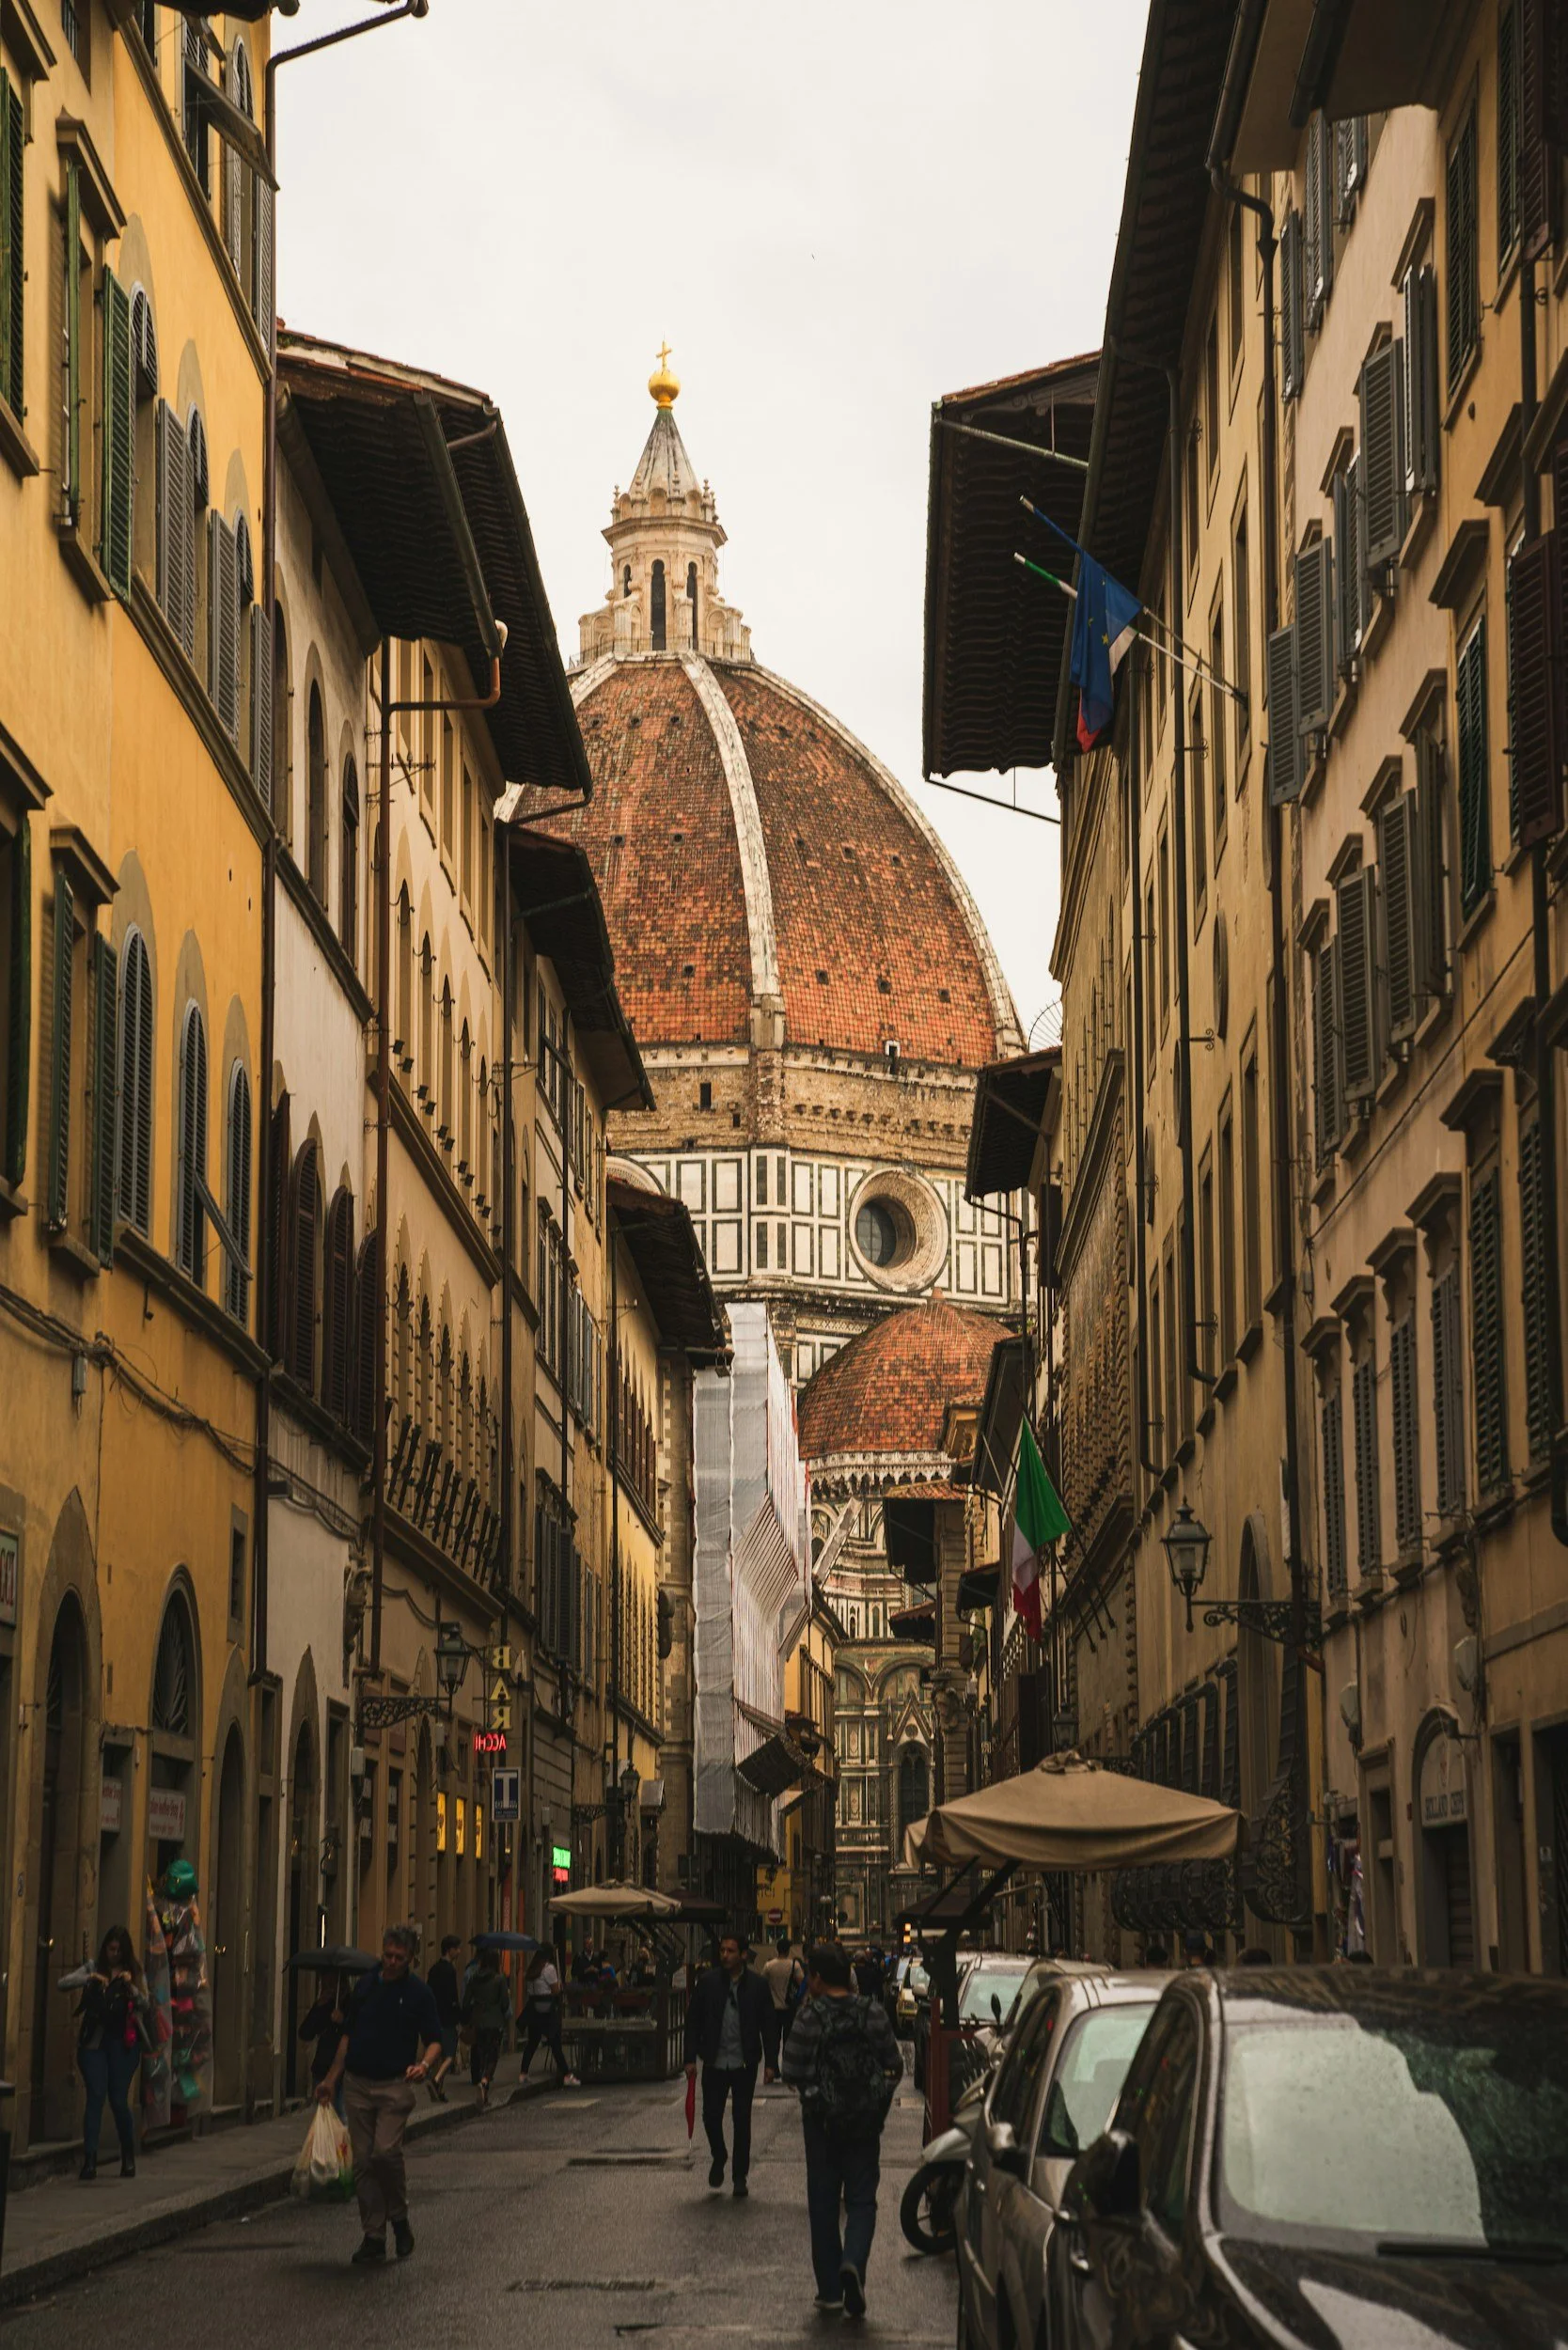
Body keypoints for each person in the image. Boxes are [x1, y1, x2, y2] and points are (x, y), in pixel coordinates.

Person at [782, 1939, 903, 2318]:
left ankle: (831, 2291)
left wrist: (816, 2096)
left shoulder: (809, 2016)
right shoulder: (871, 2012)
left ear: (816, 1978)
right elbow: (894, 2065)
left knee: (823, 2202)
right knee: (862, 2200)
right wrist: (876, 2102)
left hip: (821, 2124)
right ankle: (853, 2261)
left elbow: (792, 2069)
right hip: (865, 2124)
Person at [316, 1924, 443, 2265]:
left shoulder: (419, 1993)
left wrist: (425, 2065)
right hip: (357, 2082)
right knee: (363, 2162)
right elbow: (348, 2037)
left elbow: (435, 2039)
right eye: (387, 1954)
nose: (391, 1962)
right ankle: (374, 2234)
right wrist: (331, 2080)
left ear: (411, 1959)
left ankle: (399, 2218)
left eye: (399, 1958)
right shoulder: (367, 1985)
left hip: (394, 2085)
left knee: (385, 2152)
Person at [683, 1930, 780, 2200]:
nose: (724, 1955)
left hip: (743, 2061)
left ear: (744, 1955)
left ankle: (740, 2176)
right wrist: (690, 2058)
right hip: (714, 2059)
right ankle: (719, 2155)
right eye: (722, 1950)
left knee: (742, 2119)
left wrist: (771, 2063)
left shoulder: (758, 1986)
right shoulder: (708, 1982)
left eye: (730, 1951)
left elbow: (769, 2025)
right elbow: (693, 2021)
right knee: (710, 2116)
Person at [74, 1925, 146, 2181]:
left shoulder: (133, 1973)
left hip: (122, 2044)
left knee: (118, 2099)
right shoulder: (94, 1968)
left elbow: (145, 2003)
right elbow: (64, 1983)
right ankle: (90, 2159)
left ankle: (128, 2156)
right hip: (94, 2043)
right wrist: (89, 1979)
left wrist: (130, 1987)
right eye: (110, 1949)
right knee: (95, 2095)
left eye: (118, 1950)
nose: (114, 1954)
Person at [519, 1946, 580, 2087]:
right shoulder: (549, 1969)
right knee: (555, 2042)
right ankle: (567, 2074)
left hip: (533, 2008)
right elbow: (555, 1990)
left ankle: (523, 2073)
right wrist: (559, 1986)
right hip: (546, 2008)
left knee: (532, 2043)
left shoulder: (532, 1969)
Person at [298, 1968, 352, 2120]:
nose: (328, 1986)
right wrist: (319, 2006)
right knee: (324, 2115)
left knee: (341, 2113)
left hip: (344, 2069)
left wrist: (342, 2021)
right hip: (323, 2065)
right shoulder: (323, 2004)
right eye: (325, 1982)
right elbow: (305, 2033)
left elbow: (357, 2030)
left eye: (332, 1982)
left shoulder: (351, 2003)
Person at [463, 1947, 511, 2107]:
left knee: (480, 2051)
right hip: (494, 2021)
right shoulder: (499, 1979)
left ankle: (480, 2083)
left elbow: (466, 2001)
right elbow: (504, 2003)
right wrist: (504, 2015)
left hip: (478, 2021)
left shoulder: (473, 1979)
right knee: (493, 2055)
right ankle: (484, 2082)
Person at [425, 1935, 463, 2102]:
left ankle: (438, 2091)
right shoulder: (450, 1970)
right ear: (450, 1950)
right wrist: (458, 2017)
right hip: (447, 2018)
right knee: (449, 2056)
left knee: (437, 2053)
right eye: (457, 1948)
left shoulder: (434, 1969)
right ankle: (436, 2079)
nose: (459, 1952)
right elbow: (453, 1997)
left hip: (433, 2016)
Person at [763, 1935, 805, 2046]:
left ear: (777, 1950)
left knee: (773, 2039)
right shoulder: (794, 1965)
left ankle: (773, 2062)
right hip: (789, 2007)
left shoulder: (769, 1965)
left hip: (773, 2007)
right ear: (788, 1950)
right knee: (789, 2039)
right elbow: (802, 1985)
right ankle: (786, 2060)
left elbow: (763, 1985)